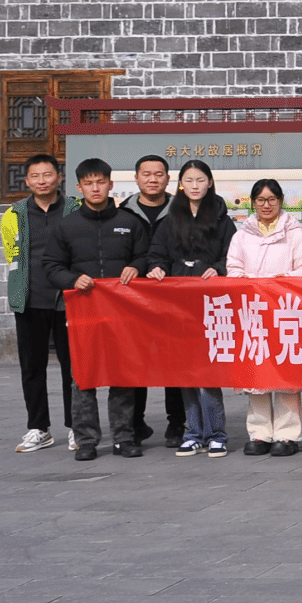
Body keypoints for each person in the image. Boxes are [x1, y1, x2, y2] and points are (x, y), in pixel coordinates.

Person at [39, 158, 155, 460]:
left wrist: (136, 266)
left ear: (110, 184)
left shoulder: (130, 222)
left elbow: (146, 255)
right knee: (83, 376)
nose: (95, 188)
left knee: (123, 375)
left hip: (122, 312)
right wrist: (72, 279)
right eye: (88, 183)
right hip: (82, 312)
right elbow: (51, 266)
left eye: (100, 182)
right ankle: (86, 440)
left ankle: (124, 437)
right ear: (79, 187)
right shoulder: (66, 226)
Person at [145, 160, 235, 460]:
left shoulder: (222, 219)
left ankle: (217, 434)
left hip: (211, 303)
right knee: (185, 371)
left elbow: (232, 255)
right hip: (178, 303)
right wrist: (157, 267)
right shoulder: (170, 219)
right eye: (189, 180)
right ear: (181, 184)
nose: (195, 186)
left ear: (210, 182)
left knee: (208, 371)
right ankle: (193, 433)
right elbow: (156, 253)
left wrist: (218, 268)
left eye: (200, 180)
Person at [224, 178, 302, 458]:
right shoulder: (242, 235)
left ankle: (288, 435)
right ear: (253, 202)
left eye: (272, 200)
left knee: (286, 372)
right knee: (256, 373)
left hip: (284, 312)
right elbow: (233, 270)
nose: (266, 205)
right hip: (253, 312)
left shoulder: (294, 232)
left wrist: (282, 280)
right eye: (261, 200)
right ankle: (259, 433)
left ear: (280, 201)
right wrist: (251, 282)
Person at [2, 153, 72, 455]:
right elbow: (12, 255)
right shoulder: (14, 214)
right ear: (27, 181)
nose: (42, 181)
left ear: (58, 177)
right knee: (32, 367)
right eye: (35, 176)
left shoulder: (74, 209)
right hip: (30, 300)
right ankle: (39, 428)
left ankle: (76, 426)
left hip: (69, 300)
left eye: (47, 175)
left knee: (74, 368)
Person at [121, 153, 176, 445]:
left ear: (168, 179)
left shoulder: (180, 211)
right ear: (136, 178)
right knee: (135, 362)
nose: (152, 179)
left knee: (176, 361)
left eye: (158, 174)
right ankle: (135, 424)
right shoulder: (123, 214)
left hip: (173, 300)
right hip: (134, 301)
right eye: (146, 174)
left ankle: (177, 424)